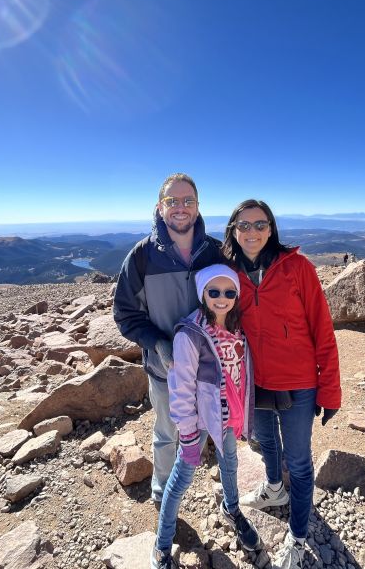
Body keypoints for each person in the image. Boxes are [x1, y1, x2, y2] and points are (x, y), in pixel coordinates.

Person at [222, 199, 341, 569]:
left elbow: (323, 328)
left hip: (298, 380)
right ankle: (274, 489)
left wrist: (330, 389)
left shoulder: (298, 268)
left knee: (301, 462)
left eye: (260, 225)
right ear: (233, 230)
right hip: (253, 380)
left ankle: (299, 536)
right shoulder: (227, 273)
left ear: (271, 229)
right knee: (266, 441)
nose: (252, 232)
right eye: (244, 225)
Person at [113, 173, 224, 508]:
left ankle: (197, 479)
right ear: (159, 207)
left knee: (205, 426)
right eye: (172, 201)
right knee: (166, 433)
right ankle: (163, 491)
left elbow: (235, 301)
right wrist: (158, 343)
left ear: (198, 206)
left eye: (188, 200)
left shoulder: (215, 252)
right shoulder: (142, 256)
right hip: (165, 370)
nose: (181, 207)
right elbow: (125, 314)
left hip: (208, 369)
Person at [151, 264, 260, 568]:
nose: (222, 298)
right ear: (202, 294)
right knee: (182, 477)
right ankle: (162, 543)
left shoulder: (238, 328)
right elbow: (181, 386)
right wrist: (186, 431)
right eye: (214, 292)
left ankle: (232, 509)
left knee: (230, 461)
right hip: (197, 421)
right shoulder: (191, 334)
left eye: (229, 292)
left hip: (225, 415)